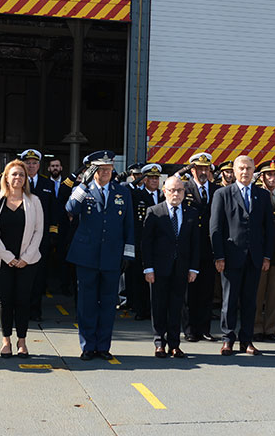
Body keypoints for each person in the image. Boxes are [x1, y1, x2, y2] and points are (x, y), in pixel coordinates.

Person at [66, 150, 135, 361]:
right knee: (87, 303)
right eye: (101, 168)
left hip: (112, 257)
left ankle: (103, 346)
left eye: (109, 168)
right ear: (92, 170)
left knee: (107, 303)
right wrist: (83, 185)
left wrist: (128, 254)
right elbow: (70, 208)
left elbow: (129, 226)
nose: (106, 172)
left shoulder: (121, 192)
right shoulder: (83, 190)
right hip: (86, 256)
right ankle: (88, 346)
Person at [210, 155, 274, 356]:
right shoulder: (223, 194)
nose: (245, 172)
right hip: (231, 257)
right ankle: (228, 339)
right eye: (241, 168)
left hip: (254, 257)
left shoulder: (262, 195)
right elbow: (215, 228)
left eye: (248, 168)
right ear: (234, 171)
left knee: (250, 301)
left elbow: (269, 229)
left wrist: (267, 256)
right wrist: (218, 256)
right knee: (229, 300)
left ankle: (247, 340)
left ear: (254, 171)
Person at [0, 159, 44, 359]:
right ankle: (6, 341)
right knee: (5, 300)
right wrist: (9, 257)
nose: (18, 178)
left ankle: (22, 341)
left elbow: (39, 231)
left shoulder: (34, 201)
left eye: (21, 174)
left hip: (27, 261)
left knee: (22, 300)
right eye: (14, 174)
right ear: (6, 178)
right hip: (3, 260)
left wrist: (25, 258)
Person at [142, 175, 200, 358]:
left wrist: (194, 268)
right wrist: (148, 268)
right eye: (172, 190)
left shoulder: (191, 213)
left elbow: (196, 244)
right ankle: (159, 342)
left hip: (181, 268)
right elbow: (146, 243)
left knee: (177, 306)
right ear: (164, 192)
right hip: (159, 268)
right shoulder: (154, 211)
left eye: (180, 190)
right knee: (159, 305)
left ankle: (174, 344)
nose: (176, 193)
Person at [182, 152, 218, 342]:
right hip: (189, 246)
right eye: (199, 168)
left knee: (206, 290)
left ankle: (204, 329)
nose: (203, 172)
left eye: (206, 168)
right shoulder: (184, 188)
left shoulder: (216, 189)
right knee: (190, 292)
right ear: (192, 170)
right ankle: (189, 329)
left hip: (209, 246)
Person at [253, 159, 275, 342]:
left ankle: (270, 328)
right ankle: (256, 327)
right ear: (262, 176)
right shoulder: (256, 195)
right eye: (269, 175)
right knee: (258, 293)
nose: (272, 178)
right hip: (259, 253)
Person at [126, 163, 164, 320]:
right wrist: (137, 180)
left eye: (157, 178)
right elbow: (126, 188)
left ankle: (156, 309)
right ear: (144, 179)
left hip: (161, 243)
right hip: (142, 241)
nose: (154, 181)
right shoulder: (136, 194)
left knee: (159, 279)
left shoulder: (163, 196)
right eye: (151, 178)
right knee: (140, 278)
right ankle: (141, 309)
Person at [20, 149, 54, 322]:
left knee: (38, 276)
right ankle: (20, 310)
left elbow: (53, 210)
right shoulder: (17, 181)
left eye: (34, 163)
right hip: (20, 237)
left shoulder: (47, 184)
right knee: (20, 275)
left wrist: (53, 233)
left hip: (41, 238)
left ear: (39, 165)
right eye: (27, 163)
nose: (31, 166)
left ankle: (35, 310)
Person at [46, 156, 73, 295]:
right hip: (47, 224)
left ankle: (64, 287)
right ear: (49, 169)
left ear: (61, 168)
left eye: (57, 166)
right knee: (45, 257)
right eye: (53, 166)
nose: (55, 168)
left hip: (64, 225)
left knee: (64, 256)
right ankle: (45, 286)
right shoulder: (44, 183)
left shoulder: (68, 184)